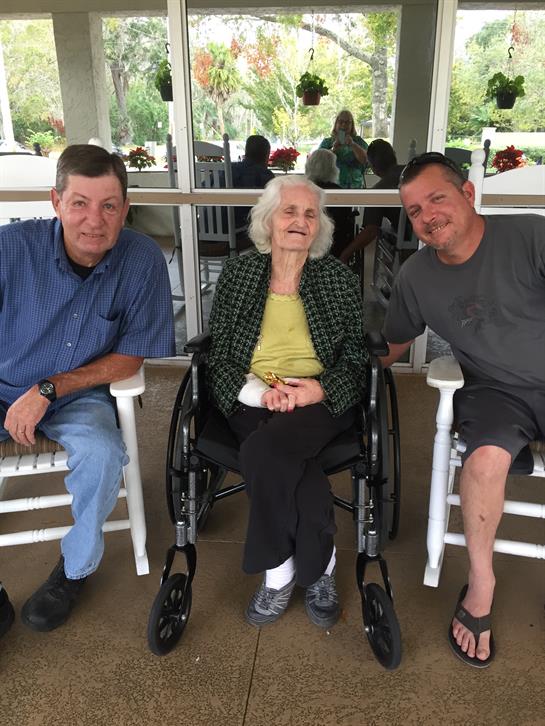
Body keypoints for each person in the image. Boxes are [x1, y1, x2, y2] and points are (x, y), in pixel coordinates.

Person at [0, 144, 175, 632]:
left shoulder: (141, 260)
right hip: (3, 380)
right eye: (79, 203)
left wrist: (49, 388)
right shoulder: (10, 249)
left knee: (102, 453)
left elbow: (130, 356)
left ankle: (74, 570)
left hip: (77, 395)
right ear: (56, 202)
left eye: (109, 206)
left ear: (126, 208)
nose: (94, 221)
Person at [380, 151, 545, 668]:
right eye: (414, 210)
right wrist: (331, 369)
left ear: (468, 194)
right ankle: (480, 583)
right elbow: (393, 343)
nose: (427, 216)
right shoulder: (416, 276)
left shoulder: (530, 236)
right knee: (483, 461)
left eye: (437, 199)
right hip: (495, 392)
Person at [208, 175, 367, 629]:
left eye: (310, 214)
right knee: (297, 470)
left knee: (262, 450)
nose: (300, 221)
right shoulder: (239, 275)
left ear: (319, 227)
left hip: (317, 399)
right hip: (252, 395)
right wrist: (260, 393)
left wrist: (320, 389)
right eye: (289, 211)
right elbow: (219, 354)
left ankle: (276, 572)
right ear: (268, 221)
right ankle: (317, 569)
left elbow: (356, 357)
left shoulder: (337, 280)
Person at [339, 139, 407, 263]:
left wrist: (345, 255)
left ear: (373, 167)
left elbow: (370, 231)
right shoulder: (412, 172)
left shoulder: (378, 191)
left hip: (405, 245)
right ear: (394, 156)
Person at [304, 148, 356, 258]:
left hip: (306, 245)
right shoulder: (340, 193)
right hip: (335, 248)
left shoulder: (303, 190)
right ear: (333, 168)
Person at [231, 134, 275, 231]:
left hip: (206, 227)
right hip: (239, 230)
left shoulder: (227, 170)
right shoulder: (265, 175)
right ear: (266, 156)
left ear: (246, 152)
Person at [319, 110, 368, 189]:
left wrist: (353, 144)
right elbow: (319, 163)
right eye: (341, 122)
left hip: (356, 187)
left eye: (347, 122)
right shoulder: (327, 142)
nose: (344, 125)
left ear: (352, 125)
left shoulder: (359, 141)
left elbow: (366, 160)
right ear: (336, 124)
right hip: (332, 186)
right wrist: (333, 149)